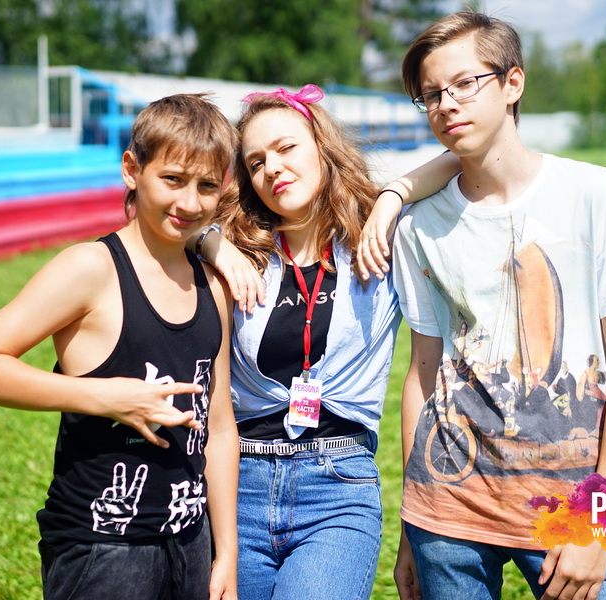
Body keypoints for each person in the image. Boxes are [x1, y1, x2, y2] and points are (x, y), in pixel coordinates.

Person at [383, 11, 606, 600]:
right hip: (448, 516)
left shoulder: (594, 193)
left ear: (513, 83)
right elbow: (423, 374)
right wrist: (413, 522)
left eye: (465, 84)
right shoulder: (418, 227)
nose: (446, 104)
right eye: (432, 94)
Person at [0, 94, 239, 600]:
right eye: (173, 179)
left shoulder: (212, 285)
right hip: (101, 550)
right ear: (132, 170)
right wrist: (106, 397)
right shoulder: (90, 268)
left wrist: (226, 550)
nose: (190, 203)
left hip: (191, 542)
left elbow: (219, 425)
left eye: (207, 186)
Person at [193, 84, 459, 600]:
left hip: (337, 487)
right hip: (239, 484)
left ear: (322, 147)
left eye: (286, 147)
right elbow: (158, 217)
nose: (272, 168)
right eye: (256, 162)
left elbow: (459, 159)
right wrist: (212, 243)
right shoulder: (240, 248)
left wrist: (391, 197)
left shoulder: (380, 239)